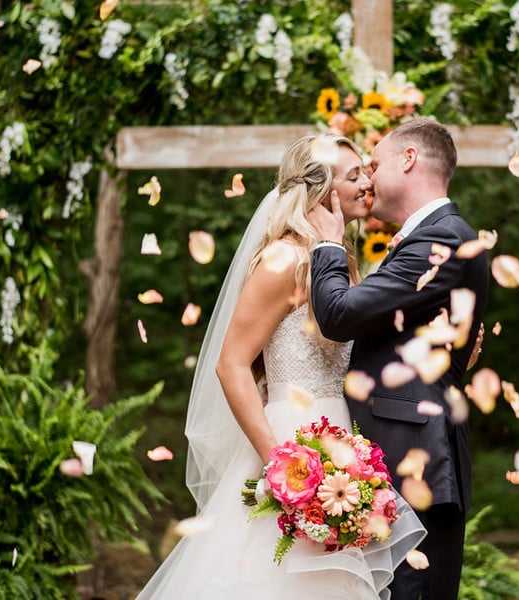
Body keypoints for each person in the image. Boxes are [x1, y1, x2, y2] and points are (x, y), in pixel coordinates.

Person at [136, 133, 426, 599]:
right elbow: (231, 363)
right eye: (353, 176)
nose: (367, 181)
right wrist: (278, 461)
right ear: (319, 190)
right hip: (290, 443)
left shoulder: (338, 263)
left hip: (341, 442)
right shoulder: (284, 259)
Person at [307, 118, 490, 600]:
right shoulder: (425, 239)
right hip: (398, 459)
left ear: (408, 160)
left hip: (418, 466)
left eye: (375, 164)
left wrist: (327, 242)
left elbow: (340, 315)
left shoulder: (441, 239)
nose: (367, 179)